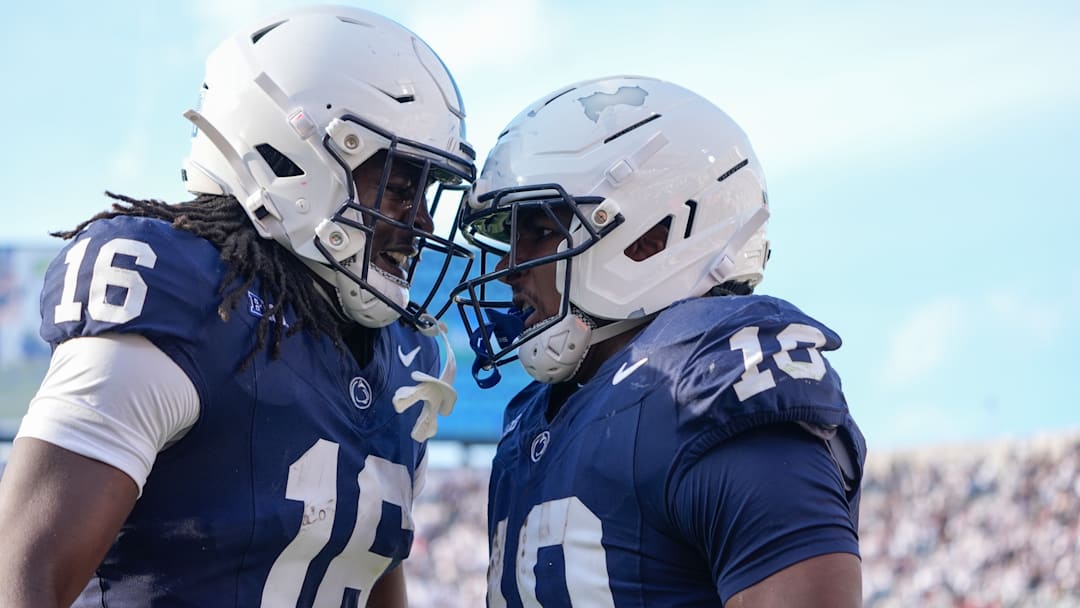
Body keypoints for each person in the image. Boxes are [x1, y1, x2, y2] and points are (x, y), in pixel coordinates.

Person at [0, 5, 474, 607]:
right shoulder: (182, 295)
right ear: (291, 157)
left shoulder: (403, 360)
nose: (421, 224)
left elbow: (363, 566)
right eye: (400, 189)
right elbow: (22, 571)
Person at [452, 75, 867, 606]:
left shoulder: (707, 381)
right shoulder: (532, 420)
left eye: (539, 230)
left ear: (651, 238)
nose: (511, 266)